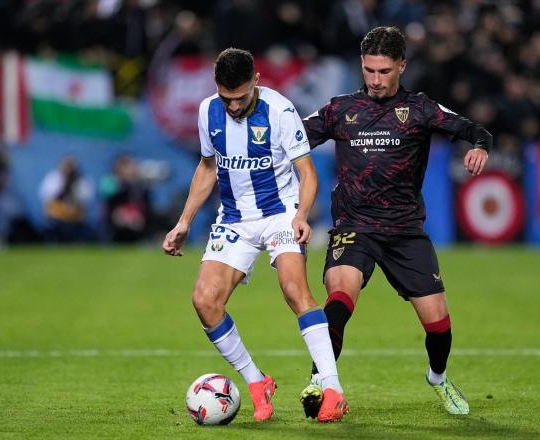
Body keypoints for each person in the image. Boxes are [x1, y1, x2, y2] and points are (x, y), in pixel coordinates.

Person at [299, 26, 491, 418]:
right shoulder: (341, 109)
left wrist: (480, 146)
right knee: (339, 298)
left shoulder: (421, 109)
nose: (375, 80)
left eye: (384, 71)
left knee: (439, 327)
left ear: (402, 66)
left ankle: (437, 378)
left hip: (405, 231)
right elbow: (293, 138)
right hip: (354, 227)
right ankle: (321, 381)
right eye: (369, 70)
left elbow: (474, 129)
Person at [162, 48, 349, 423]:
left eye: (241, 97)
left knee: (295, 290)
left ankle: (333, 388)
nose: (232, 106)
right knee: (204, 301)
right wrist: (184, 221)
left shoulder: (280, 111)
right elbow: (207, 166)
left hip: (280, 214)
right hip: (234, 220)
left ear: (256, 82)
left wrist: (300, 215)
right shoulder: (207, 111)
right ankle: (256, 380)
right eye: (226, 98)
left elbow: (308, 173)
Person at [38, 156, 94, 242]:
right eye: (66, 166)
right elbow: (48, 200)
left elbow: (83, 204)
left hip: (75, 218)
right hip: (57, 217)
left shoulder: (81, 181)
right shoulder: (54, 178)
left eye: (71, 166)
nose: (68, 169)